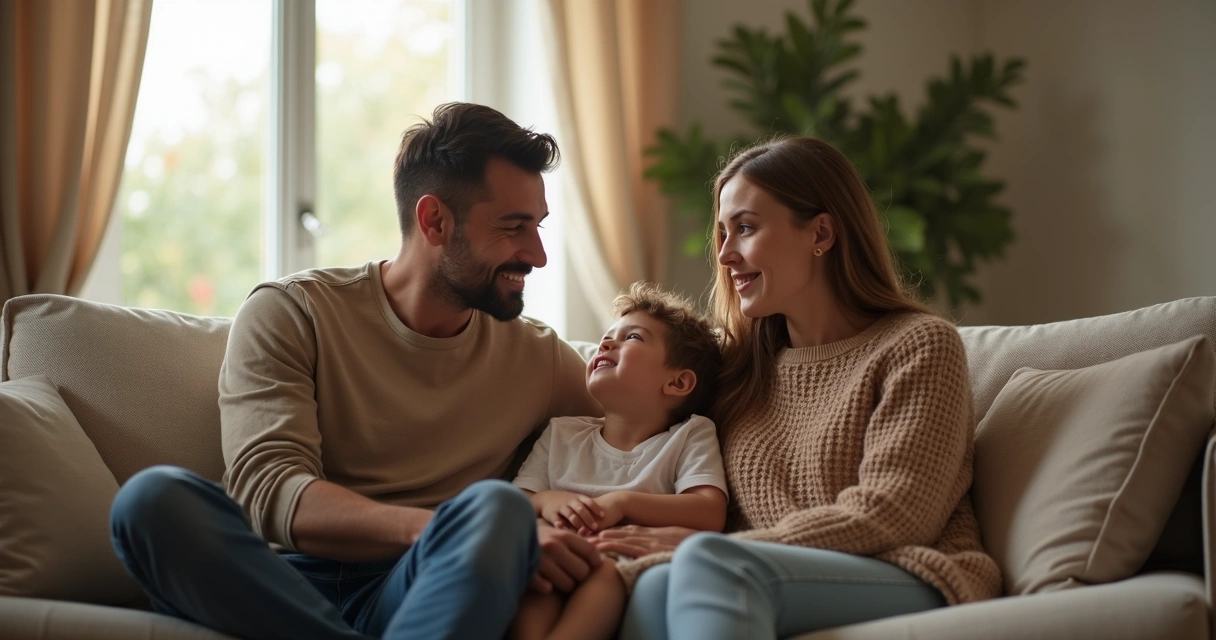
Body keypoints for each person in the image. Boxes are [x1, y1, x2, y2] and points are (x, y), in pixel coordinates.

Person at [108, 102, 606, 640]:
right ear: (434, 220)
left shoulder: (537, 357)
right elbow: (271, 491)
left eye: (538, 227)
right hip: (279, 583)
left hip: (423, 590)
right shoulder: (293, 312)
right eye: (514, 227)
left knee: (499, 509)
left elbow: (650, 432)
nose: (537, 255)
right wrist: (441, 529)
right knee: (150, 500)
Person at [593, 137, 1003, 639]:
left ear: (822, 234)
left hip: (910, 568)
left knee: (710, 565)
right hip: (757, 572)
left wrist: (719, 550)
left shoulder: (917, 345)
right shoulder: (740, 370)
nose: (724, 255)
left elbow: (898, 513)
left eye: (745, 228)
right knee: (654, 587)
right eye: (721, 233)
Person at [508, 282, 728, 640]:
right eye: (607, 337)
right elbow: (516, 502)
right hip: (558, 557)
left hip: (623, 566)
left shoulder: (689, 436)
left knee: (605, 573)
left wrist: (622, 502)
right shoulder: (562, 433)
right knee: (537, 577)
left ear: (678, 382)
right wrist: (549, 500)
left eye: (634, 338)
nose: (607, 343)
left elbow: (709, 511)